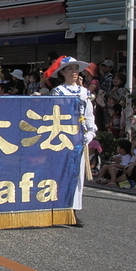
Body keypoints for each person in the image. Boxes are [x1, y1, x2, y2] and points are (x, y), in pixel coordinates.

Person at [49, 56, 97, 227]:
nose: (74, 72)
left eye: (76, 68)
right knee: (60, 174)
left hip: (80, 139)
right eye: (70, 69)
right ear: (62, 72)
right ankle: (56, 209)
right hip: (62, 138)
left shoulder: (85, 92)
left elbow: (90, 115)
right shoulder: (58, 92)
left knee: (77, 177)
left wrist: (90, 133)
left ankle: (73, 211)